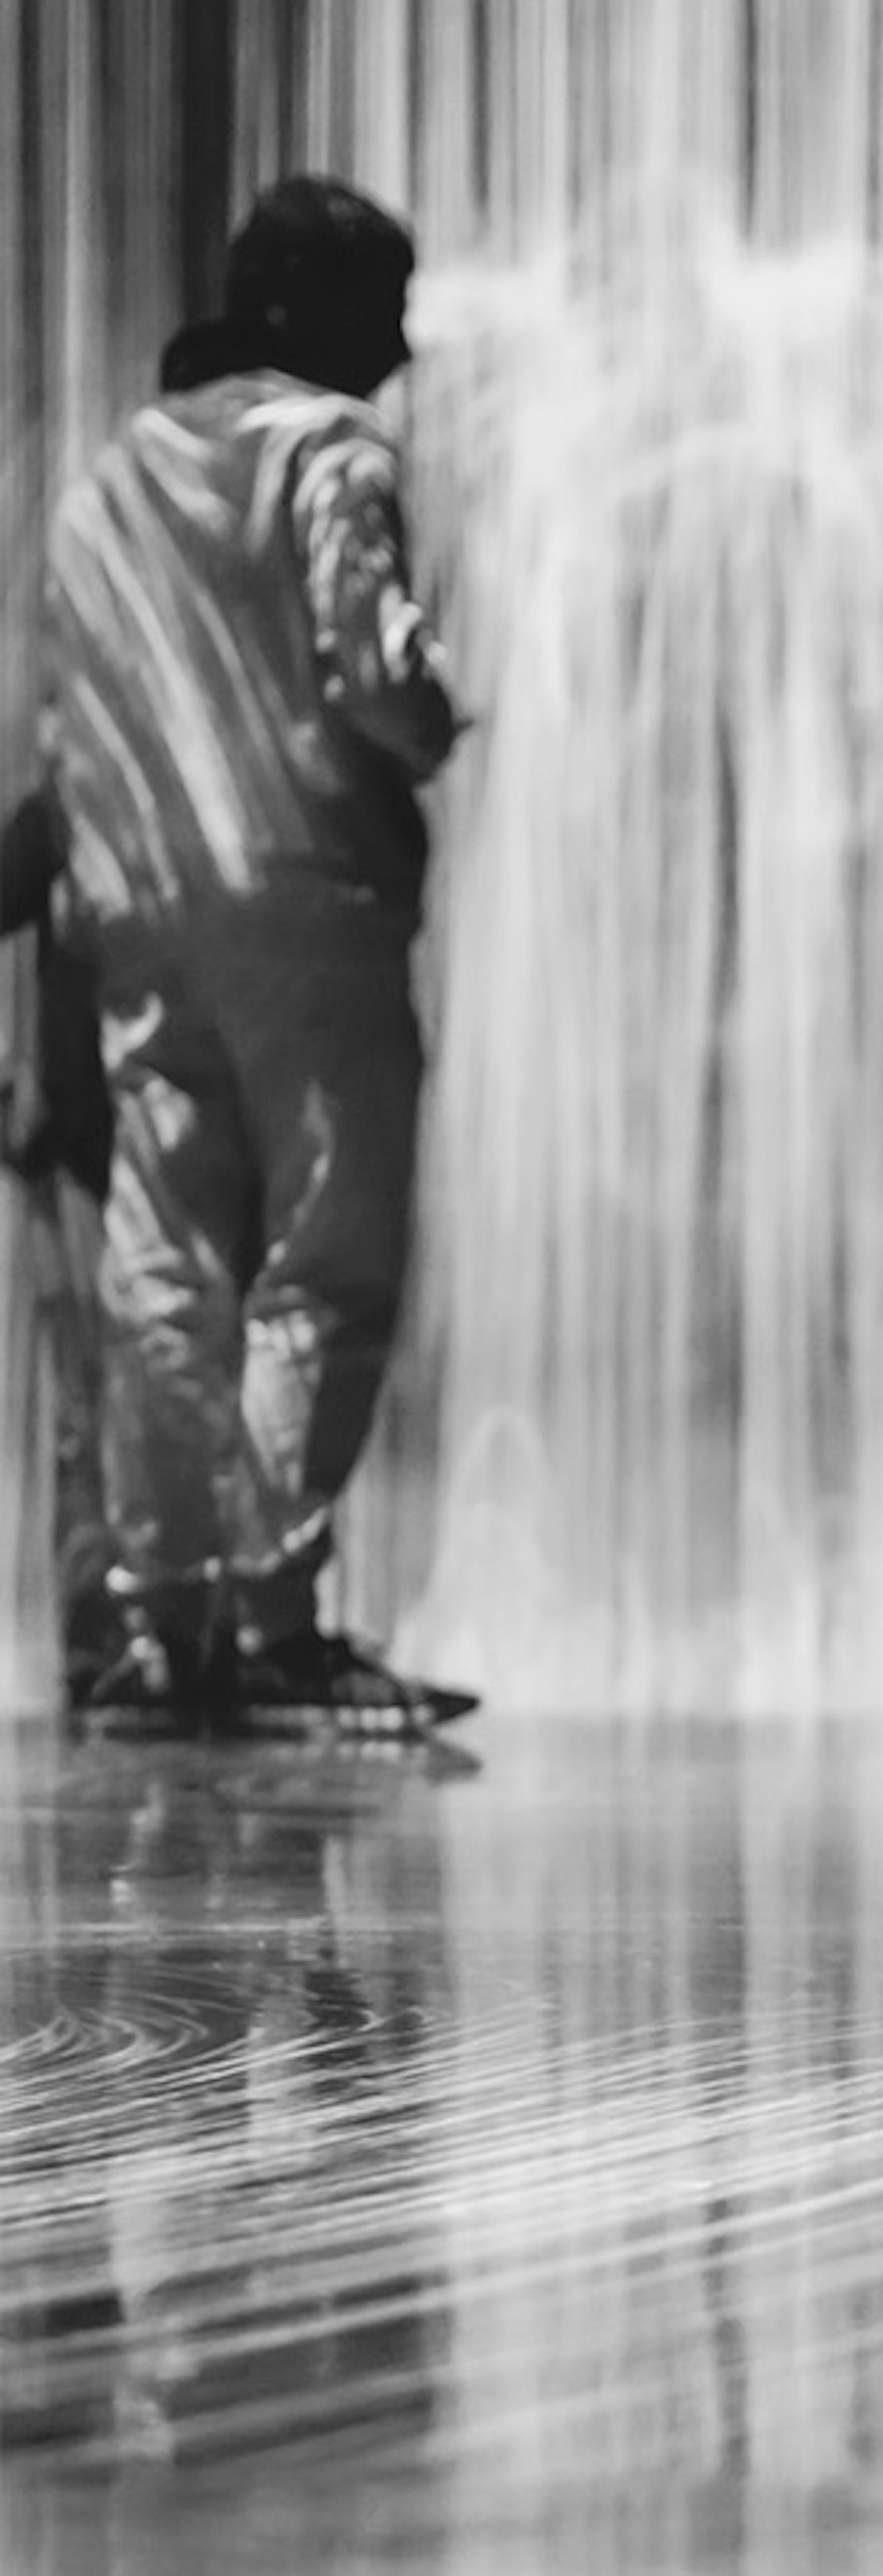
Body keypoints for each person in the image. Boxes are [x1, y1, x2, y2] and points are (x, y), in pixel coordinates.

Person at [42, 180, 471, 1738]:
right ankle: (277, 1620)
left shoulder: (104, 481)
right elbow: (370, 671)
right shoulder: (327, 445)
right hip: (304, 891)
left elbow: (64, 726)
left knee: (166, 1264)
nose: (408, 344)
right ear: (304, 306)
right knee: (327, 1257)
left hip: (135, 910)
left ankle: (167, 1633)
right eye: (389, 305)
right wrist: (436, 715)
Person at [0, 769, 125, 1702]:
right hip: (81, 1151)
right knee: (91, 1407)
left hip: (160, 1145)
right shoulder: (64, 810)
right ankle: (98, 1635)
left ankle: (172, 1622)